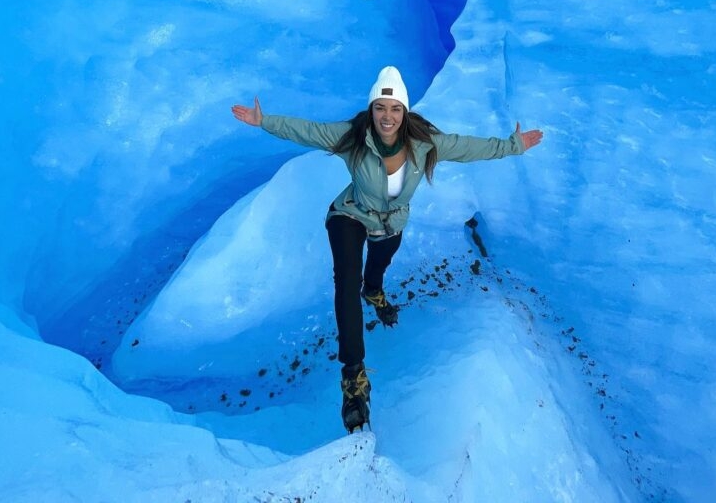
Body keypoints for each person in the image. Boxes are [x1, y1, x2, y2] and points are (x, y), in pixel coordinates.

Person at [231, 65, 543, 432]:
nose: (388, 116)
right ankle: (353, 377)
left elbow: (469, 146)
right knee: (346, 280)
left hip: (390, 222)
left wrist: (513, 145)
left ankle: (374, 290)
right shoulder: (352, 136)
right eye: (381, 107)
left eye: (395, 109)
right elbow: (309, 131)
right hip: (350, 214)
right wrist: (264, 121)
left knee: (377, 267)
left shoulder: (426, 144)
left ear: (405, 112)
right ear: (372, 109)